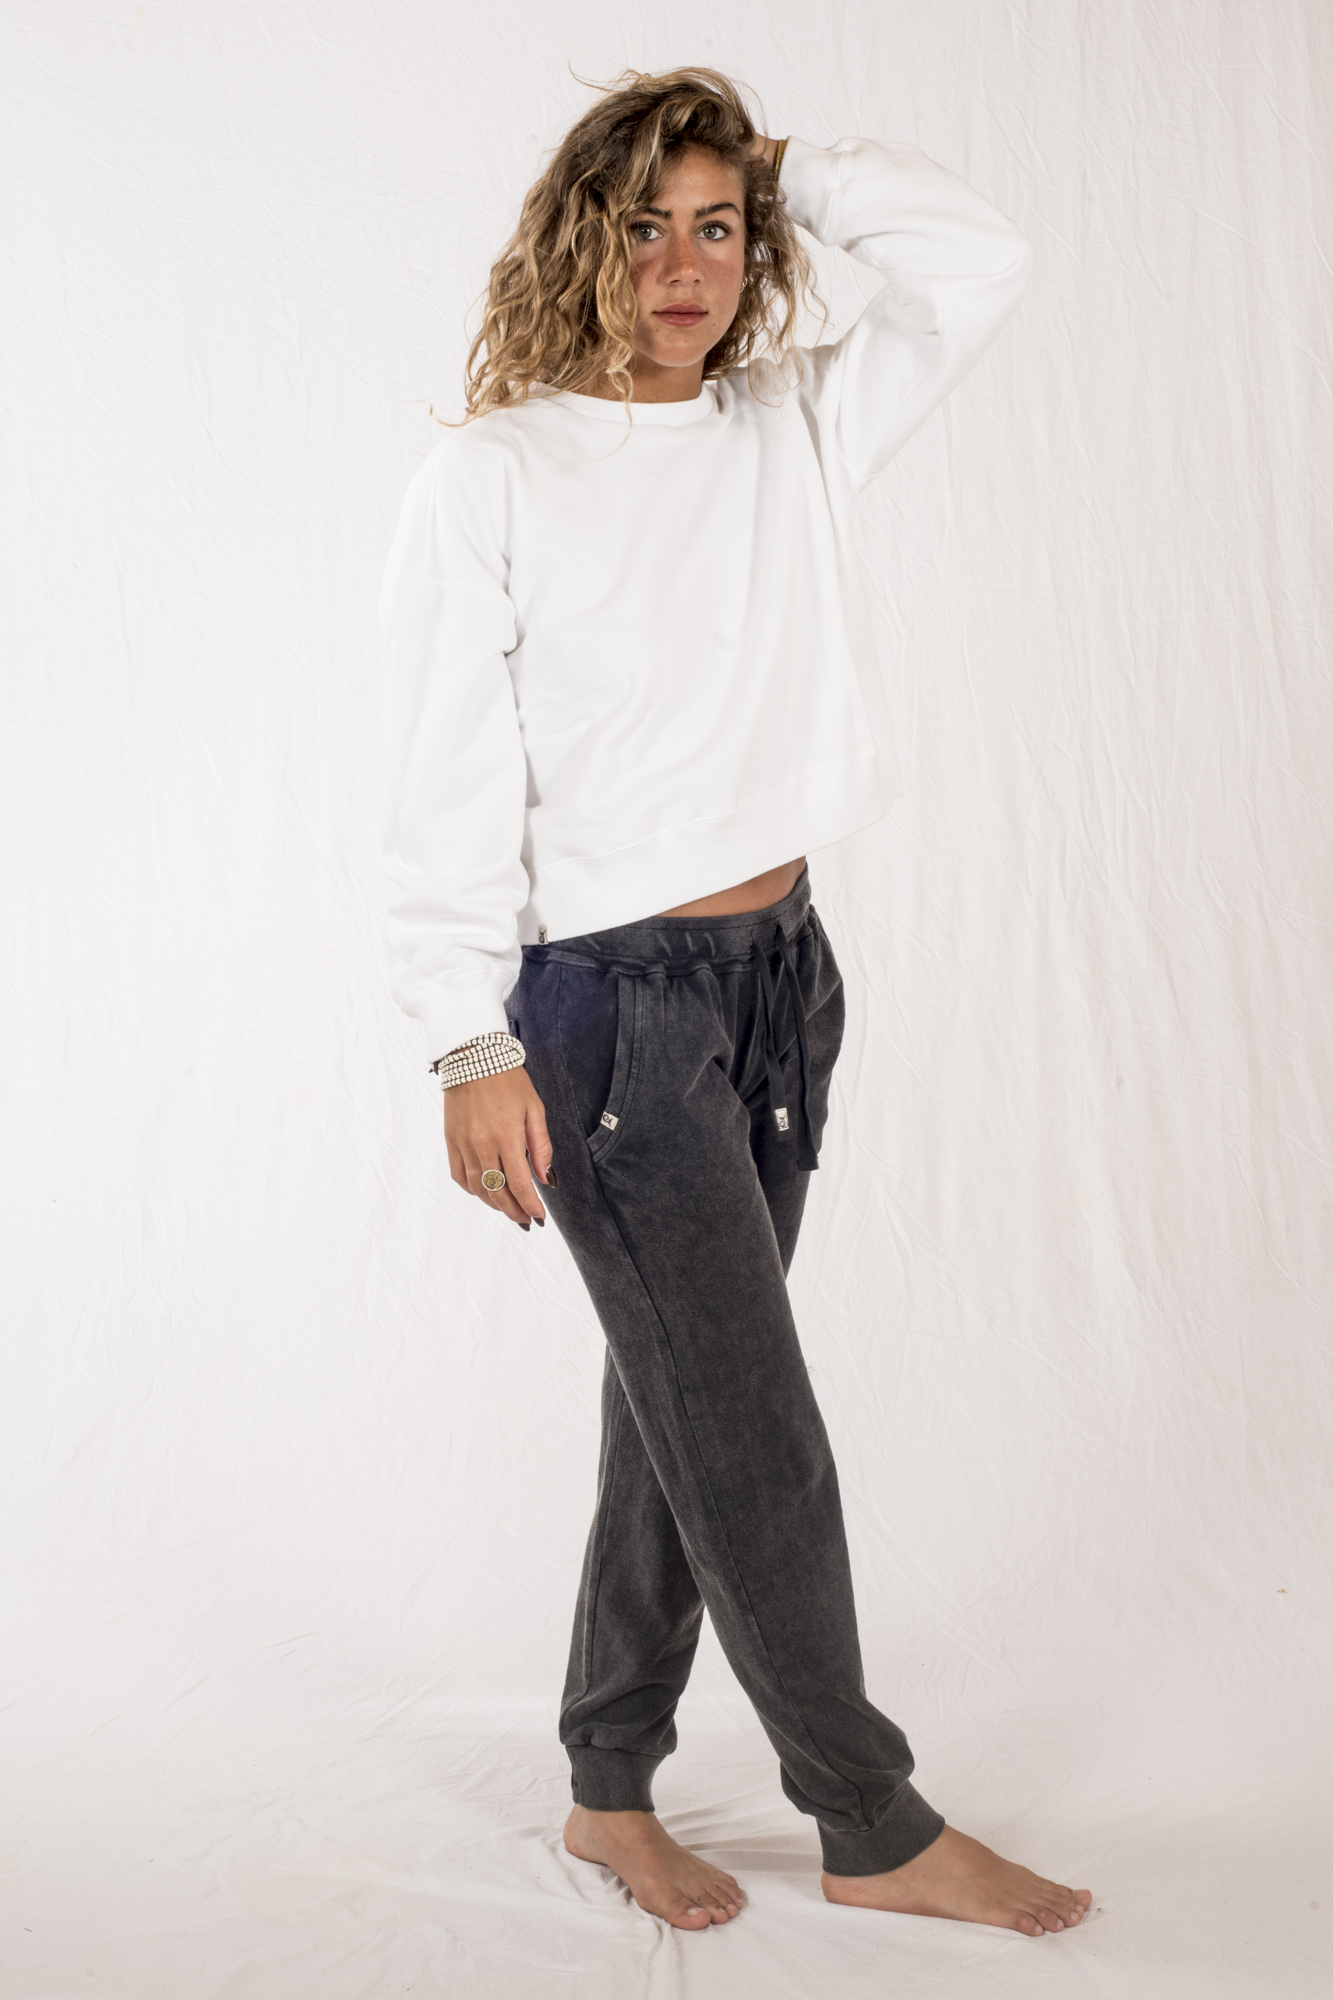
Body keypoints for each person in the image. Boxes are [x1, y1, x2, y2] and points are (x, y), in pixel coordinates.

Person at [379, 65, 1091, 1940]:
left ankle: (605, 1786)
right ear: (578, 238)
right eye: (644, 224)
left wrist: (786, 163)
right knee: (747, 1421)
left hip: (780, 978)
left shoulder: (793, 427)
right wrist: (465, 1040)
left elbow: (981, 262)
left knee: (679, 1405)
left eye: (717, 227)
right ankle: (868, 1819)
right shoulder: (494, 473)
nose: (683, 265)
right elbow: (438, 780)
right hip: (605, 1012)